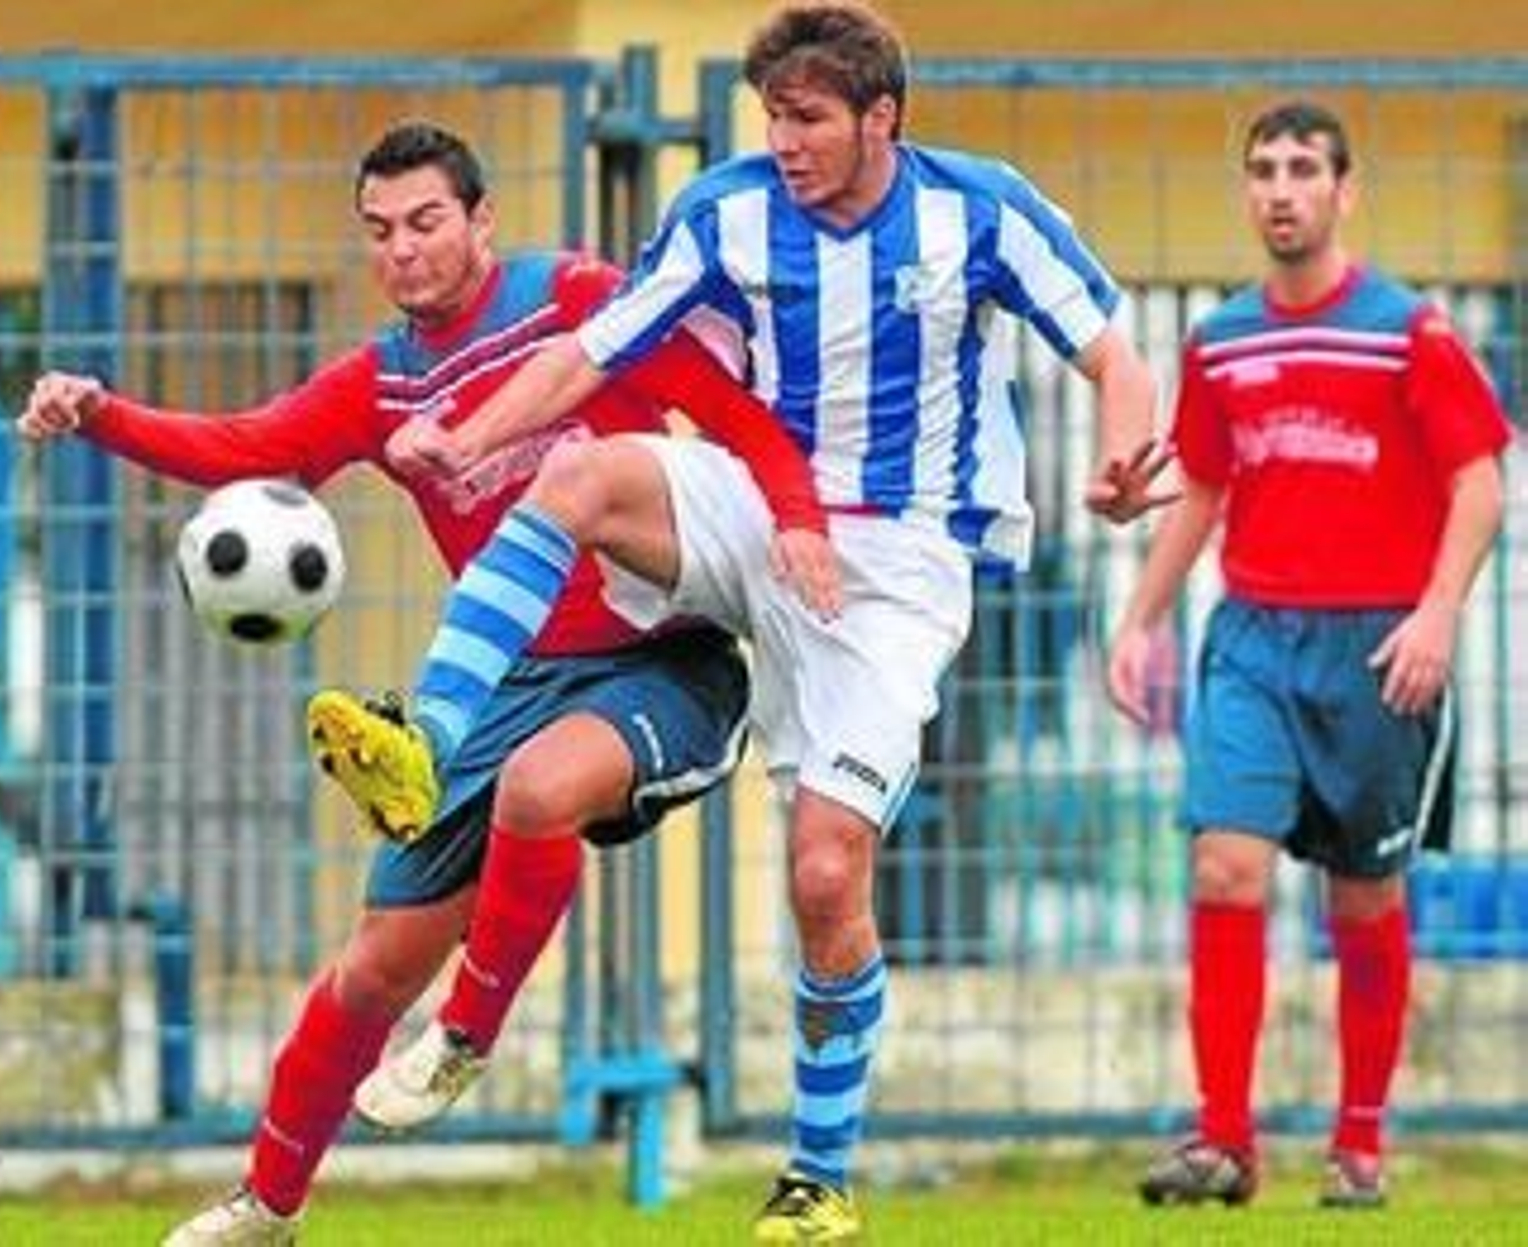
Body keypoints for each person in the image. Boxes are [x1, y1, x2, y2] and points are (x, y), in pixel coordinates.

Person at [321, 5, 1169, 1240]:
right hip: (756, 508)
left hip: (895, 565)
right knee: (580, 472)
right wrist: (468, 432)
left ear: (884, 118)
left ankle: (816, 1176)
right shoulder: (724, 208)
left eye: (811, 118)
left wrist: (1122, 458)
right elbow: (591, 357)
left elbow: (1113, 353)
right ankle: (427, 732)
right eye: (772, 115)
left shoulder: (978, 210)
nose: (785, 140)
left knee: (827, 872)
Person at [17, 119, 831, 1246]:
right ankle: (266, 1205)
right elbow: (244, 447)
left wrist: (794, 516)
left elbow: (730, 406)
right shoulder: (385, 382)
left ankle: (467, 1028)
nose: (401, 249)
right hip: (508, 681)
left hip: (663, 659)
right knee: (366, 970)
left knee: (540, 790)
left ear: (481, 219)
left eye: (425, 221)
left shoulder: (577, 298)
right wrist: (100, 412)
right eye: (379, 232)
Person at [1107, 100, 1512, 1211]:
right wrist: (1140, 617)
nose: (1280, 189)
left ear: (1343, 189)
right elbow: (1203, 487)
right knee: (1222, 864)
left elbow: (1480, 481)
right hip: (1250, 640)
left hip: (1380, 647)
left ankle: (1360, 1141)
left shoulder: (1407, 330)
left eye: (1301, 169)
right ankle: (1224, 1139)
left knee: (1363, 900)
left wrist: (1435, 615)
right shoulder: (1220, 340)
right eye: (1262, 171)